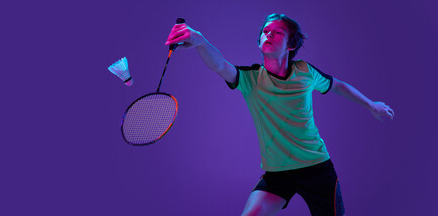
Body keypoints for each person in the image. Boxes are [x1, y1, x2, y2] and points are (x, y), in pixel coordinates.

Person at [164, 14, 395, 216]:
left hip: (317, 168)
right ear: (259, 41)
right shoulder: (251, 79)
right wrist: (200, 41)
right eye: (265, 32)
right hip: (278, 174)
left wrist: (371, 104)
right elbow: (220, 66)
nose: (269, 35)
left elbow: (337, 85)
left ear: (291, 45)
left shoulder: (305, 71)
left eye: (277, 32)